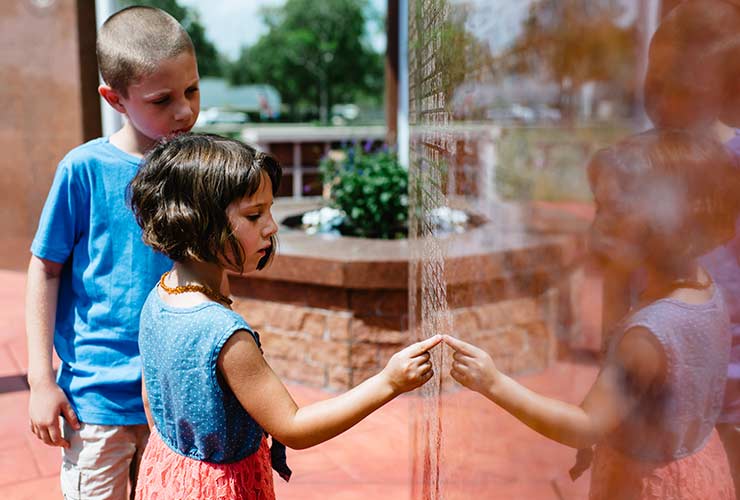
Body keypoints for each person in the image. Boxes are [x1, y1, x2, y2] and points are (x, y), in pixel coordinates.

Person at [128, 133, 442, 499]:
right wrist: (390, 382)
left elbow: (150, 397)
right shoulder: (225, 335)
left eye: (269, 210)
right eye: (254, 214)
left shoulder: (160, 295)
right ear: (197, 223)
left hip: (167, 474)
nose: (271, 226)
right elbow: (293, 426)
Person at [445, 129, 740, 499]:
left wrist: (492, 382)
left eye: (613, 210)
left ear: (666, 221)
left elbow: (586, 426)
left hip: (648, 484)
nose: (597, 223)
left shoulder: (647, 336)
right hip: (698, 467)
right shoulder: (704, 289)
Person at [25, 6, 199, 499]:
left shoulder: (197, 170)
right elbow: (45, 270)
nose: (184, 110)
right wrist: (41, 381)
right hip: (96, 404)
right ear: (114, 98)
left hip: (176, 400)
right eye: (162, 99)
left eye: (192, 90)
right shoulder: (83, 170)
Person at [640, 3, 740, 496]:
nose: (660, 99)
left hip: (729, 381)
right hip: (660, 375)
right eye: (655, 80)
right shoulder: (653, 161)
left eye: (680, 84)